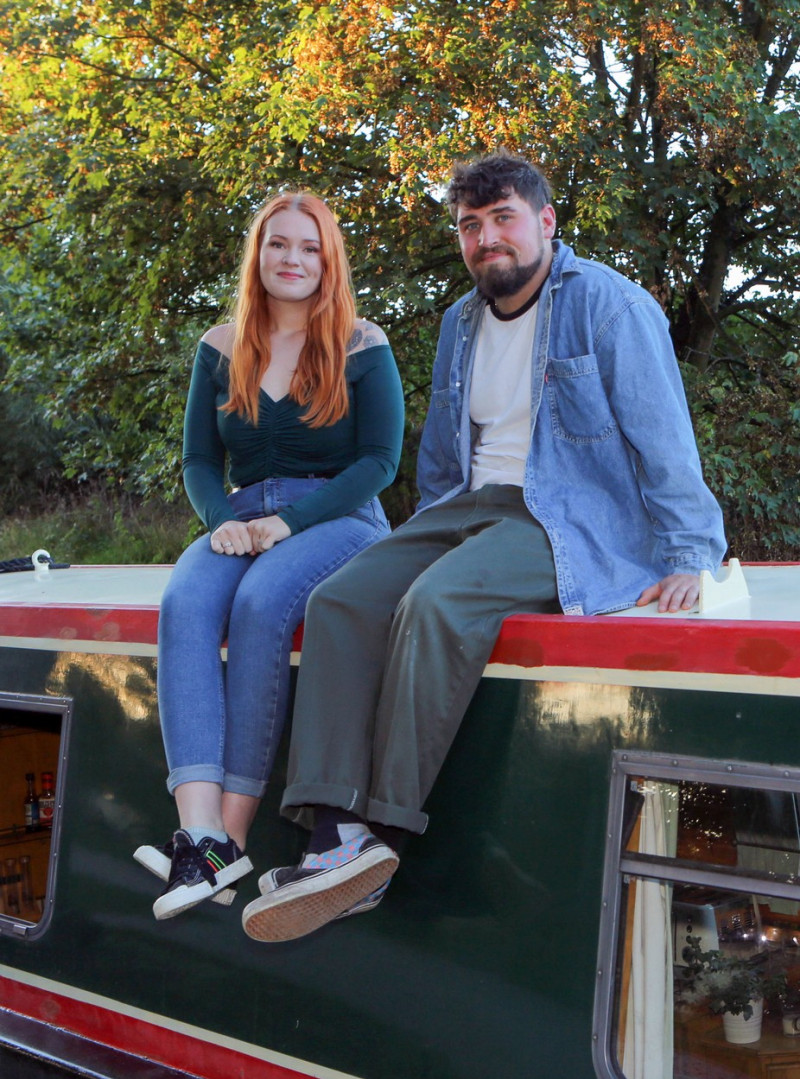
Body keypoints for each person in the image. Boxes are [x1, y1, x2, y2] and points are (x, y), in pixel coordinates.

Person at [240, 151, 727, 943]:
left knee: (437, 603)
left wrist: (689, 552)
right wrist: (432, 533)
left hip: (570, 517)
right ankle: (332, 832)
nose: (485, 238)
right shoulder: (459, 320)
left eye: (502, 219)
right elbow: (441, 455)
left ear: (544, 222)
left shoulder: (610, 305)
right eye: (470, 225)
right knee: (340, 598)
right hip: (466, 506)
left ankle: (382, 838)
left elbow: (664, 437)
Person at [133, 192, 404, 920]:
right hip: (242, 516)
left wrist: (285, 525)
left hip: (339, 517)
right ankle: (199, 832)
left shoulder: (362, 342)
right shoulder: (220, 347)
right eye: (278, 244)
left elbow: (379, 462)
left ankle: (236, 833)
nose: (293, 258)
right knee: (185, 601)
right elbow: (197, 460)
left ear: (329, 259)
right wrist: (222, 522)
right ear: (258, 255)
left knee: (260, 604)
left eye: (309, 247)